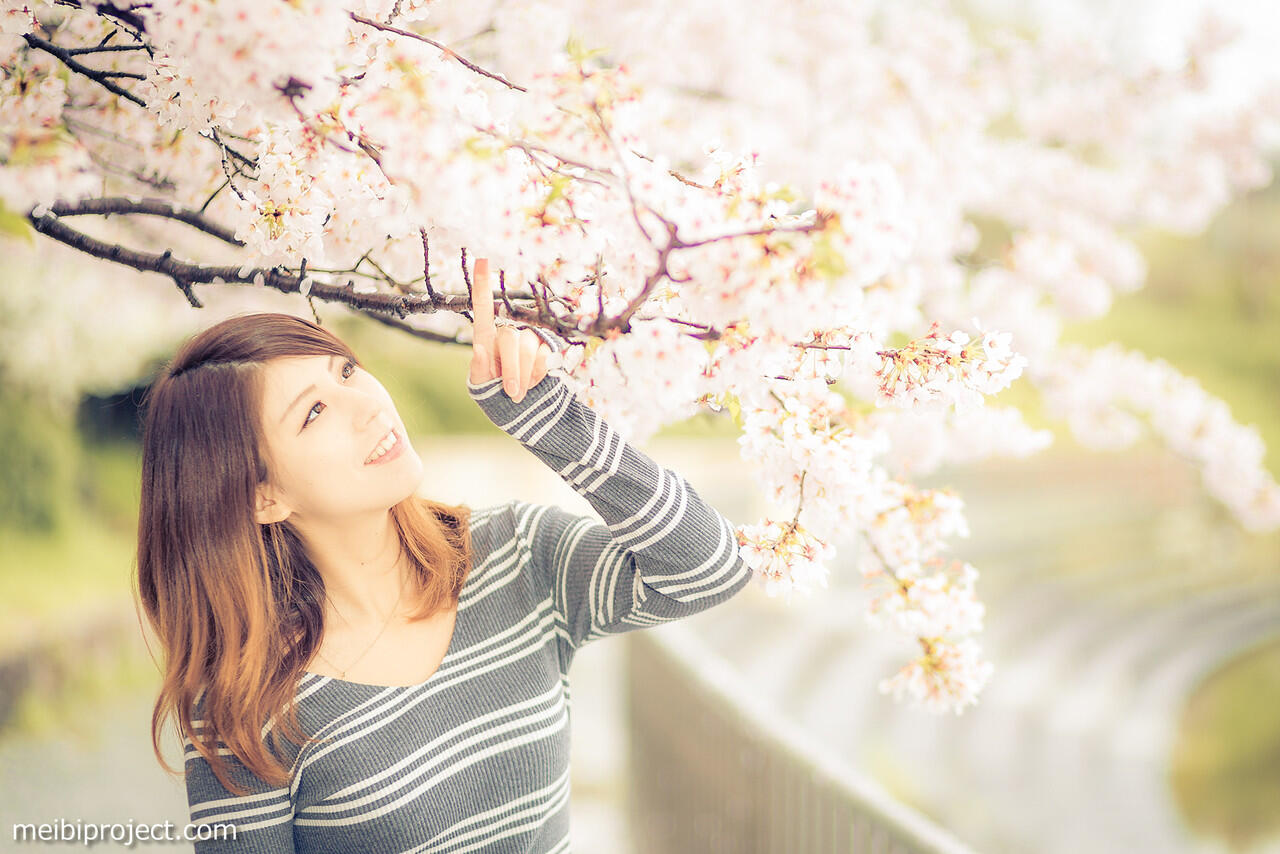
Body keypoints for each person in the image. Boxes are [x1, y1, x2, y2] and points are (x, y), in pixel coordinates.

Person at [134, 258, 755, 852]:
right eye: (315, 412)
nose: (369, 406)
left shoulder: (513, 555)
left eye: (346, 372)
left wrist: (551, 418)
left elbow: (707, 569)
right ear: (263, 494)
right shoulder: (245, 707)